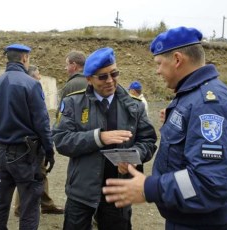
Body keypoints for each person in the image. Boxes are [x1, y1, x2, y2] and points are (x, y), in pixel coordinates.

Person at [102, 27, 227, 230]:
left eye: (159, 64)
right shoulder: (191, 97)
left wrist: (150, 188)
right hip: (186, 218)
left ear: (177, 59)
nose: (157, 71)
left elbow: (208, 182)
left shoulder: (210, 104)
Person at [53, 47, 158, 230]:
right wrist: (98, 137)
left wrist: (134, 156)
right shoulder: (73, 103)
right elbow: (62, 140)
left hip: (118, 191)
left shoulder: (135, 106)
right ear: (89, 79)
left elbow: (148, 141)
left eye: (114, 73)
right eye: (102, 77)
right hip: (81, 192)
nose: (110, 81)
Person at [0, 44, 55, 230]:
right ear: (25, 58)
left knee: (0, 204)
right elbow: (42, 123)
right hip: (25, 155)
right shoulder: (31, 84)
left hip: (1, 152)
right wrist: (49, 151)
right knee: (29, 205)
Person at [13, 65, 64, 217]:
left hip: (30, 143)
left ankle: (45, 204)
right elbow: (41, 122)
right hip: (32, 143)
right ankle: (21, 208)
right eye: (38, 75)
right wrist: (49, 148)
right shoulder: (31, 90)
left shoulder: (23, 90)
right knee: (29, 177)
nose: (40, 78)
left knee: (39, 174)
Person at [55, 50, 87, 120]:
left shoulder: (70, 85)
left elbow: (61, 112)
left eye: (67, 64)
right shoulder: (94, 81)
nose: (65, 68)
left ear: (74, 66)